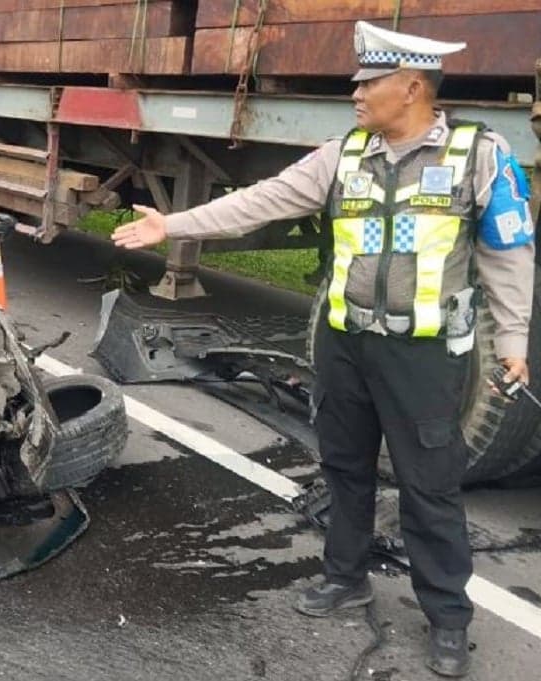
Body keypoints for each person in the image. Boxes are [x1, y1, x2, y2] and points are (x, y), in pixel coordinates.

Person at [111, 20, 535, 678]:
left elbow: (508, 253)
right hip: (345, 345)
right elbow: (260, 201)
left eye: (370, 83)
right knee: (343, 468)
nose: (356, 92)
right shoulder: (343, 155)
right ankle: (346, 575)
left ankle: (448, 615)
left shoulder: (478, 156)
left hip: (423, 357)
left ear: (413, 87)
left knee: (430, 486)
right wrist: (173, 224)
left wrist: (511, 338)